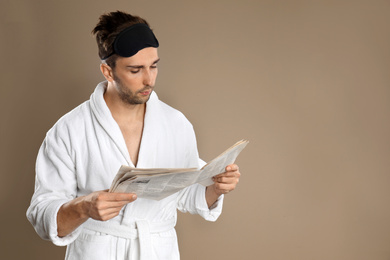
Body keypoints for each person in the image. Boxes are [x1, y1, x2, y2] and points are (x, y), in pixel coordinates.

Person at [26, 11, 241, 260]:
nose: (149, 79)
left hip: (158, 251)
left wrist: (216, 188)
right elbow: (41, 214)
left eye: (154, 66)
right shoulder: (69, 130)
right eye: (136, 70)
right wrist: (84, 207)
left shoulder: (176, 124)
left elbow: (185, 194)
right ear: (108, 71)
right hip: (98, 251)